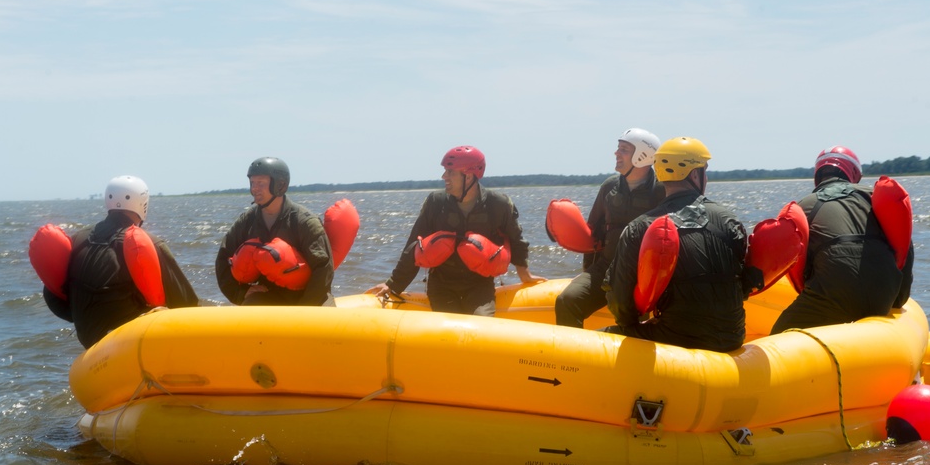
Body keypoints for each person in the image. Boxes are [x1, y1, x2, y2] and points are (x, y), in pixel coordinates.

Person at [603, 137, 748, 352]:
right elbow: (743, 285)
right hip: (733, 337)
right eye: (704, 172)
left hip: (675, 339)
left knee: (599, 338)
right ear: (694, 174)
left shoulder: (639, 228)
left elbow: (621, 304)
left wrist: (635, 325)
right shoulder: (729, 219)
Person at [366, 146, 544, 315]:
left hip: (479, 285)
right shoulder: (436, 202)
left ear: (468, 176)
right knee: (451, 327)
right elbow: (414, 245)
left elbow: (516, 240)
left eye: (450, 172)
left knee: (480, 325)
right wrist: (394, 284)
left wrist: (525, 275)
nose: (444, 176)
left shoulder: (498, 204)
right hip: (442, 285)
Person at [40, 175, 198, 349]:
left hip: (91, 343)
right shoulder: (149, 243)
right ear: (142, 203)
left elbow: (54, 297)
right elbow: (187, 304)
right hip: (129, 344)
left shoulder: (77, 239)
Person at [771, 146, 914, 334]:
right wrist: (898, 299)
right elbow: (903, 244)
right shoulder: (872, 197)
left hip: (833, 295)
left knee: (779, 335)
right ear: (854, 173)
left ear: (818, 175)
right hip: (884, 293)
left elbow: (799, 264)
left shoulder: (804, 205)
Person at [555, 128, 667, 327]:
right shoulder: (609, 186)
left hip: (642, 273)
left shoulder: (661, 190)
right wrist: (587, 272)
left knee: (632, 320)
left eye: (624, 149)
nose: (616, 154)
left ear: (642, 155)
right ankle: (573, 356)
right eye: (618, 148)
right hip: (607, 265)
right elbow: (594, 233)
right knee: (567, 301)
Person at [215, 157, 335, 306]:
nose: (254, 189)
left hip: (309, 296)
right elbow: (223, 258)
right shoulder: (246, 221)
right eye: (252, 183)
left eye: (261, 183)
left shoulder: (305, 222)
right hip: (268, 294)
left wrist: (304, 309)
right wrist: (239, 293)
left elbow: (323, 269)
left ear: (280, 185)